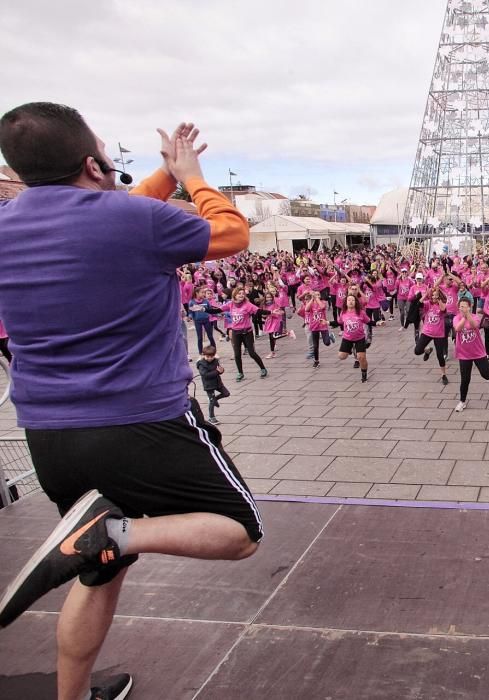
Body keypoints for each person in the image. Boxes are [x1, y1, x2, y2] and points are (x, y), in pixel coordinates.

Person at [0, 104, 261, 700]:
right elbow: (233, 233)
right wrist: (192, 176)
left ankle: (73, 696)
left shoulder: (7, 223)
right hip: (143, 421)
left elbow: (106, 211)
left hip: (48, 432)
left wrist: (162, 174)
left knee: (97, 572)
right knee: (240, 530)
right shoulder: (138, 221)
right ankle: (119, 530)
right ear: (94, 165)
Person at [452, 297, 489, 412]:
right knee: (465, 379)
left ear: (470, 307)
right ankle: (462, 401)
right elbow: (457, 328)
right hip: (464, 354)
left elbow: (475, 326)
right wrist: (464, 317)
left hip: (478, 352)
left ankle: (481, 367)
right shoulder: (456, 318)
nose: (462, 308)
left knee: (487, 375)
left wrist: (467, 315)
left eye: (465, 306)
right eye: (461, 306)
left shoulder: (475, 317)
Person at [222, 287, 268, 381]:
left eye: (243, 293)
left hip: (247, 332)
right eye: (239, 293)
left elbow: (259, 311)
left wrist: (271, 312)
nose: (241, 295)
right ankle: (240, 373)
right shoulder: (230, 304)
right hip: (236, 332)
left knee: (252, 353)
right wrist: (204, 309)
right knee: (237, 354)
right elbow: (218, 310)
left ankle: (263, 368)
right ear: (234, 295)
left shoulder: (247, 305)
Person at [337, 293, 370, 382]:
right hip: (347, 338)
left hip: (360, 338)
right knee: (341, 356)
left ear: (356, 302)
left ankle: (364, 374)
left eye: (353, 300)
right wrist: (327, 322)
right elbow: (339, 322)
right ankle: (351, 348)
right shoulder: (343, 313)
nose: (351, 302)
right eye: (349, 300)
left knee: (361, 357)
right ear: (346, 302)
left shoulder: (361, 312)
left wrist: (378, 323)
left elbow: (368, 321)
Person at [196, 345, 230, 424]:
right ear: (203, 355)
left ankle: (215, 399)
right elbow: (205, 375)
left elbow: (219, 369)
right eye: (207, 356)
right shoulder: (201, 364)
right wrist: (217, 372)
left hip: (217, 382)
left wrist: (221, 371)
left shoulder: (215, 361)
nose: (210, 358)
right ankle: (212, 417)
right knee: (211, 401)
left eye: (211, 356)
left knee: (226, 393)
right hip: (209, 385)